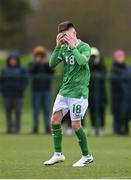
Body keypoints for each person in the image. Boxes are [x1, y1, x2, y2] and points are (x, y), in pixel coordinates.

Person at [44, 21, 93, 167]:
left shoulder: (84, 47)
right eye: (62, 35)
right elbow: (51, 64)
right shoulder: (63, 47)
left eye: (67, 35)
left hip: (78, 92)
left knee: (76, 125)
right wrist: (58, 46)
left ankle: (87, 156)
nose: (65, 38)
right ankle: (58, 154)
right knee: (54, 120)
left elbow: (82, 62)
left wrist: (73, 47)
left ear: (74, 33)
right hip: (65, 90)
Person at [0, 51, 28, 133]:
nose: (12, 61)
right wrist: (3, 89)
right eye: (11, 59)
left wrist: (21, 89)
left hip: (18, 95)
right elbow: (1, 80)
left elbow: (25, 80)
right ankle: (9, 128)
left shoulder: (21, 69)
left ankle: (17, 129)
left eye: (14, 59)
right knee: (8, 112)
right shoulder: (5, 69)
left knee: (17, 112)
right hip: (7, 94)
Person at [28, 46, 53, 134]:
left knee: (47, 109)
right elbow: (29, 72)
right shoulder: (32, 63)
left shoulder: (48, 63)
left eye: (41, 54)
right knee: (36, 110)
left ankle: (47, 128)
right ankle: (35, 128)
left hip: (46, 90)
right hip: (36, 90)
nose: (40, 56)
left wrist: (46, 64)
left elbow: (52, 71)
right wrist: (36, 63)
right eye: (38, 54)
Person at [89, 47, 107, 136]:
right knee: (92, 110)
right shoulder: (88, 65)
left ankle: (101, 128)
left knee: (101, 111)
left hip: (101, 93)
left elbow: (103, 74)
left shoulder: (102, 64)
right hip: (91, 93)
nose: (93, 58)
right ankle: (93, 127)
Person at [111, 50, 127, 135]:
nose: (120, 59)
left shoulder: (126, 67)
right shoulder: (114, 69)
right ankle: (116, 131)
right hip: (116, 95)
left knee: (124, 113)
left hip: (125, 95)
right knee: (117, 113)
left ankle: (124, 130)